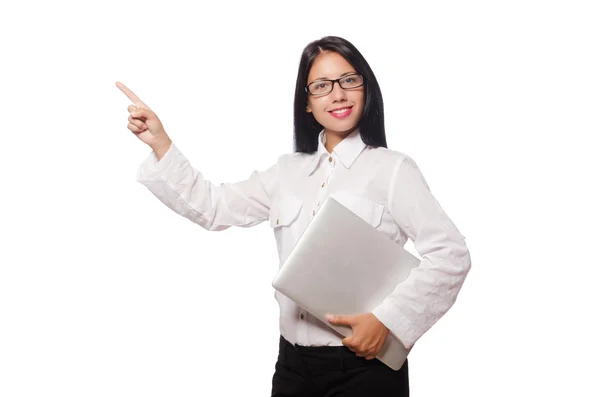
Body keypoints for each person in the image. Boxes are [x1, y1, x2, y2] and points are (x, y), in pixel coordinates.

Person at [116, 35, 471, 397]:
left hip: (364, 370)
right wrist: (160, 142)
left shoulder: (394, 169)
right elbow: (213, 206)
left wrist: (388, 321)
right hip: (293, 368)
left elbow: (450, 255)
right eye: (322, 86)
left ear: (366, 88)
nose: (338, 94)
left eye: (349, 80)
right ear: (307, 102)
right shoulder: (286, 173)